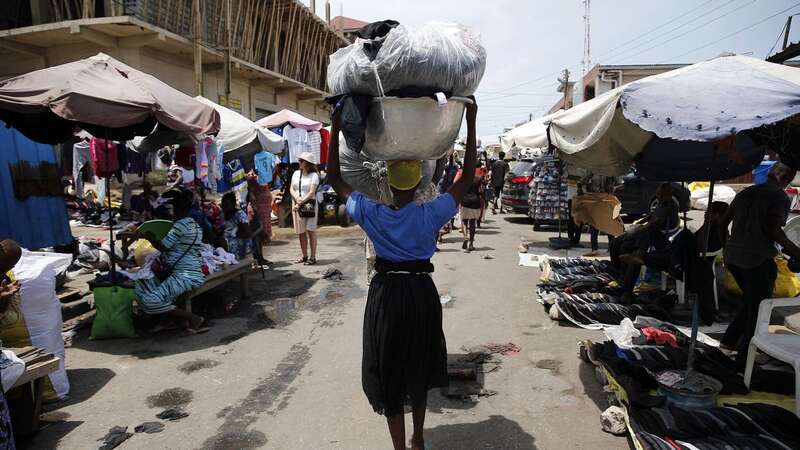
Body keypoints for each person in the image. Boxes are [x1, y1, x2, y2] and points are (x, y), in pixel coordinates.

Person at [326, 96, 478, 450]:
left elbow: (334, 177)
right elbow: (467, 177)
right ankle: (418, 438)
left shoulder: (372, 212)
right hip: (422, 294)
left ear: (390, 183)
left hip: (386, 296)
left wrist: (335, 125)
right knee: (420, 364)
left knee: (390, 368)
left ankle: (399, 447)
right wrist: (470, 121)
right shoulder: (431, 212)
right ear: (417, 182)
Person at [719, 162, 800, 368]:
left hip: (734, 259)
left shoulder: (747, 192)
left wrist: (727, 247)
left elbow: (721, 223)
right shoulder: (779, 197)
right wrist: (794, 249)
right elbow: (773, 229)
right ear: (786, 179)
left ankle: (728, 341)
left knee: (750, 303)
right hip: (757, 260)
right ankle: (743, 361)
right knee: (758, 312)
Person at [133, 189, 208, 335]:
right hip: (191, 272)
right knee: (145, 284)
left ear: (177, 209)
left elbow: (162, 246)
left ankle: (194, 319)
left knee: (149, 300)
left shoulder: (180, 226)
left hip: (184, 275)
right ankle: (180, 322)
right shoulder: (195, 225)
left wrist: (147, 236)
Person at [612, 183, 679, 298]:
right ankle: (618, 274)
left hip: (656, 237)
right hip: (647, 235)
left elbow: (655, 223)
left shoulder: (669, 205)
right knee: (616, 242)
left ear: (666, 194)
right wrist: (638, 224)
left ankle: (626, 285)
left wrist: (638, 229)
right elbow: (651, 216)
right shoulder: (660, 204)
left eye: (659, 192)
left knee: (626, 246)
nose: (657, 194)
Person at [290, 152, 320, 265]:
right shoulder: (296, 173)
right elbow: (291, 188)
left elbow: (312, 191)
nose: (299, 162)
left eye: (302, 161)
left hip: (309, 204)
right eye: (299, 160)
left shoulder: (314, 175)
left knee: (311, 231)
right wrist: (297, 198)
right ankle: (304, 256)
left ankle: (313, 257)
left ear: (307, 163)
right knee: (301, 232)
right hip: (297, 204)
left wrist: (301, 201)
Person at [221, 191, 253, 260]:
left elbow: (248, 233)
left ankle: (233, 260)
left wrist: (234, 233)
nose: (224, 207)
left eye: (227, 204)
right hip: (229, 238)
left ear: (233, 204)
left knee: (225, 244)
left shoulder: (240, 215)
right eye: (223, 204)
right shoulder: (224, 214)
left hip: (241, 241)